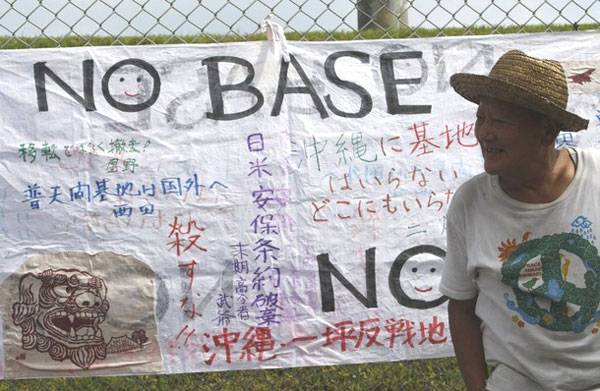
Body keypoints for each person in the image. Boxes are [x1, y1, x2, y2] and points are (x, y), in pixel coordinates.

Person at [439, 49, 596, 391]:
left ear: (547, 131)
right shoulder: (470, 204)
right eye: (481, 118)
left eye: (500, 121)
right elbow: (461, 307)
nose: (484, 133)